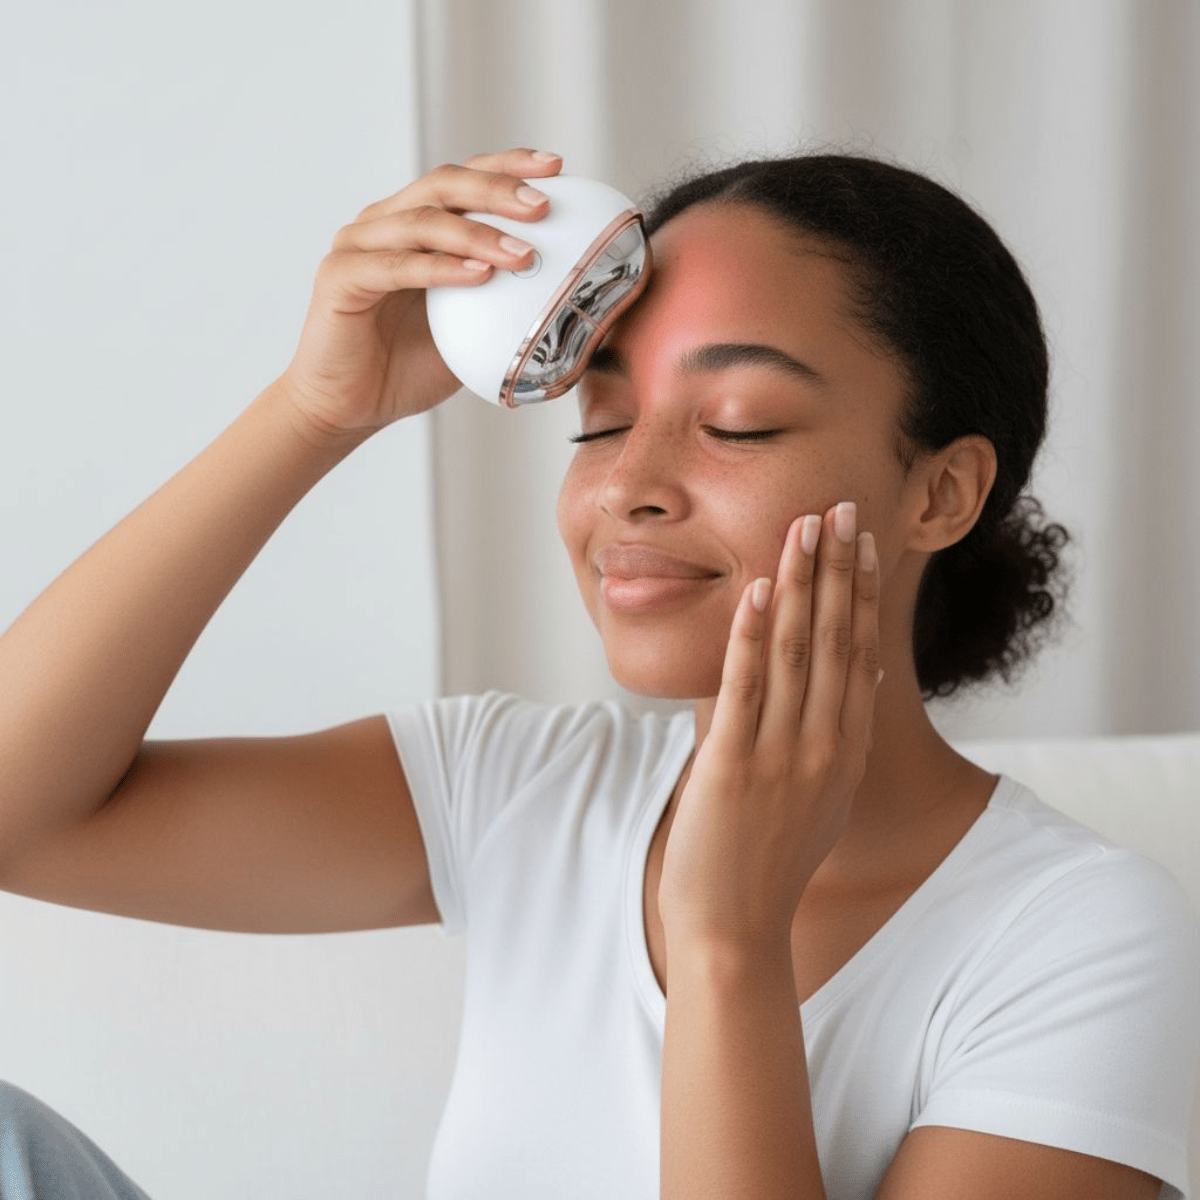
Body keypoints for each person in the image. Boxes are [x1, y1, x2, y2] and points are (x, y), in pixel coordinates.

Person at [0, 146, 1196, 1200]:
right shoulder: (519, 785)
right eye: (601, 421)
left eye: (737, 422)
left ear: (941, 491)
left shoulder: (1082, 940)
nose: (627, 484)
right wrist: (317, 411)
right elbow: (20, 818)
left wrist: (727, 936)